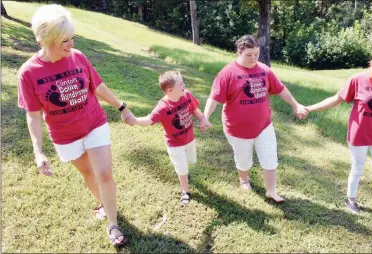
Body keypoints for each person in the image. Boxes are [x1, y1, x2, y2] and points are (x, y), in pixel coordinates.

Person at [17, 4, 134, 246]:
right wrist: (38, 151)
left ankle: (113, 224)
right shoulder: (28, 73)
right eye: (64, 41)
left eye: (72, 38)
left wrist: (122, 107)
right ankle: (103, 203)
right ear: (46, 41)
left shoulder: (78, 56)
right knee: (88, 172)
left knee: (103, 173)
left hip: (94, 123)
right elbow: (34, 115)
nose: (71, 45)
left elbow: (97, 87)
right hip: (64, 135)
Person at [305, 45, 372, 225]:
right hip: (358, 134)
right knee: (357, 168)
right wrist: (309, 108)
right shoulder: (359, 79)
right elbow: (337, 99)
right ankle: (351, 199)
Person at [203, 35, 307, 203]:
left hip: (264, 125)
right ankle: (244, 180)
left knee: (270, 156)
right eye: (248, 55)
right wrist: (205, 117)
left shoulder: (264, 70)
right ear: (239, 52)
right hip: (237, 128)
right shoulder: (227, 73)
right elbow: (214, 98)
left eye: (256, 54)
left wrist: (296, 105)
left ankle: (271, 191)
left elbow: (281, 89)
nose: (253, 58)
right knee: (244, 160)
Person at [126, 70, 210, 204]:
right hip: (174, 143)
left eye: (183, 82)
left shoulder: (187, 95)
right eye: (181, 84)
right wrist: (135, 121)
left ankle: (184, 173)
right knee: (181, 167)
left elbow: (194, 110)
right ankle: (185, 191)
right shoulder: (163, 107)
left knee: (190, 161)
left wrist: (202, 119)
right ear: (170, 90)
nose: (184, 85)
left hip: (189, 139)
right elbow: (149, 120)